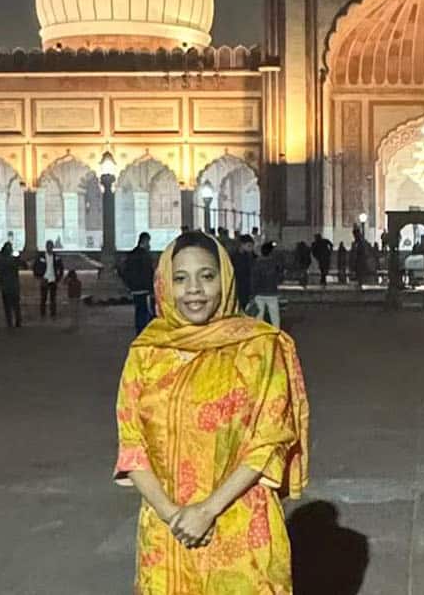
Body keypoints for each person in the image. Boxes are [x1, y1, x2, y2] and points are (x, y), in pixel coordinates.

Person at [112, 232, 310, 594]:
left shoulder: (259, 348)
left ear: (226, 279)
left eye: (207, 276)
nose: (194, 290)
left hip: (240, 523)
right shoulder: (146, 352)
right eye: (180, 278)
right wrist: (174, 515)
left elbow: (269, 441)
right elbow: (131, 444)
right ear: (165, 285)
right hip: (168, 529)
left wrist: (207, 511)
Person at [123, 233, 157, 331]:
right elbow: (148, 273)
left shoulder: (132, 254)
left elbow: (125, 271)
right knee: (146, 312)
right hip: (144, 289)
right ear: (145, 241)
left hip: (134, 289)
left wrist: (129, 285)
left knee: (139, 311)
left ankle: (139, 331)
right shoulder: (145, 256)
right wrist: (152, 288)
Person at [251, 241, 283, 326]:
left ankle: (259, 335)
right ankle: (276, 333)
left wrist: (253, 292)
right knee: (274, 316)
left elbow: (254, 279)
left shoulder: (257, 263)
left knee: (259, 316)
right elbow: (280, 276)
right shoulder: (275, 263)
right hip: (272, 292)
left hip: (259, 293)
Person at [0, 243, 23, 328]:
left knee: (7, 306)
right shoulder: (14, 260)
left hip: (5, 287)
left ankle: (9, 322)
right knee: (16, 305)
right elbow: (22, 265)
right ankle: (18, 321)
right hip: (14, 286)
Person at [34, 241, 63, 319]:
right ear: (46, 247)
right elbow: (35, 267)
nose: (50, 248)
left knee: (53, 298)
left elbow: (61, 268)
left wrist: (59, 277)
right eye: (48, 246)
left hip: (53, 279)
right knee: (43, 298)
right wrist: (39, 277)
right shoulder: (41, 257)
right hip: (45, 279)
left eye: (51, 246)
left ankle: (53, 313)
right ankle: (43, 313)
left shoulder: (56, 257)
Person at [232, 235, 257, 311]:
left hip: (247, 287)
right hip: (238, 286)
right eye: (249, 246)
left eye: (252, 246)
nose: (251, 248)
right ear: (242, 245)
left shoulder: (251, 256)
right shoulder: (234, 257)